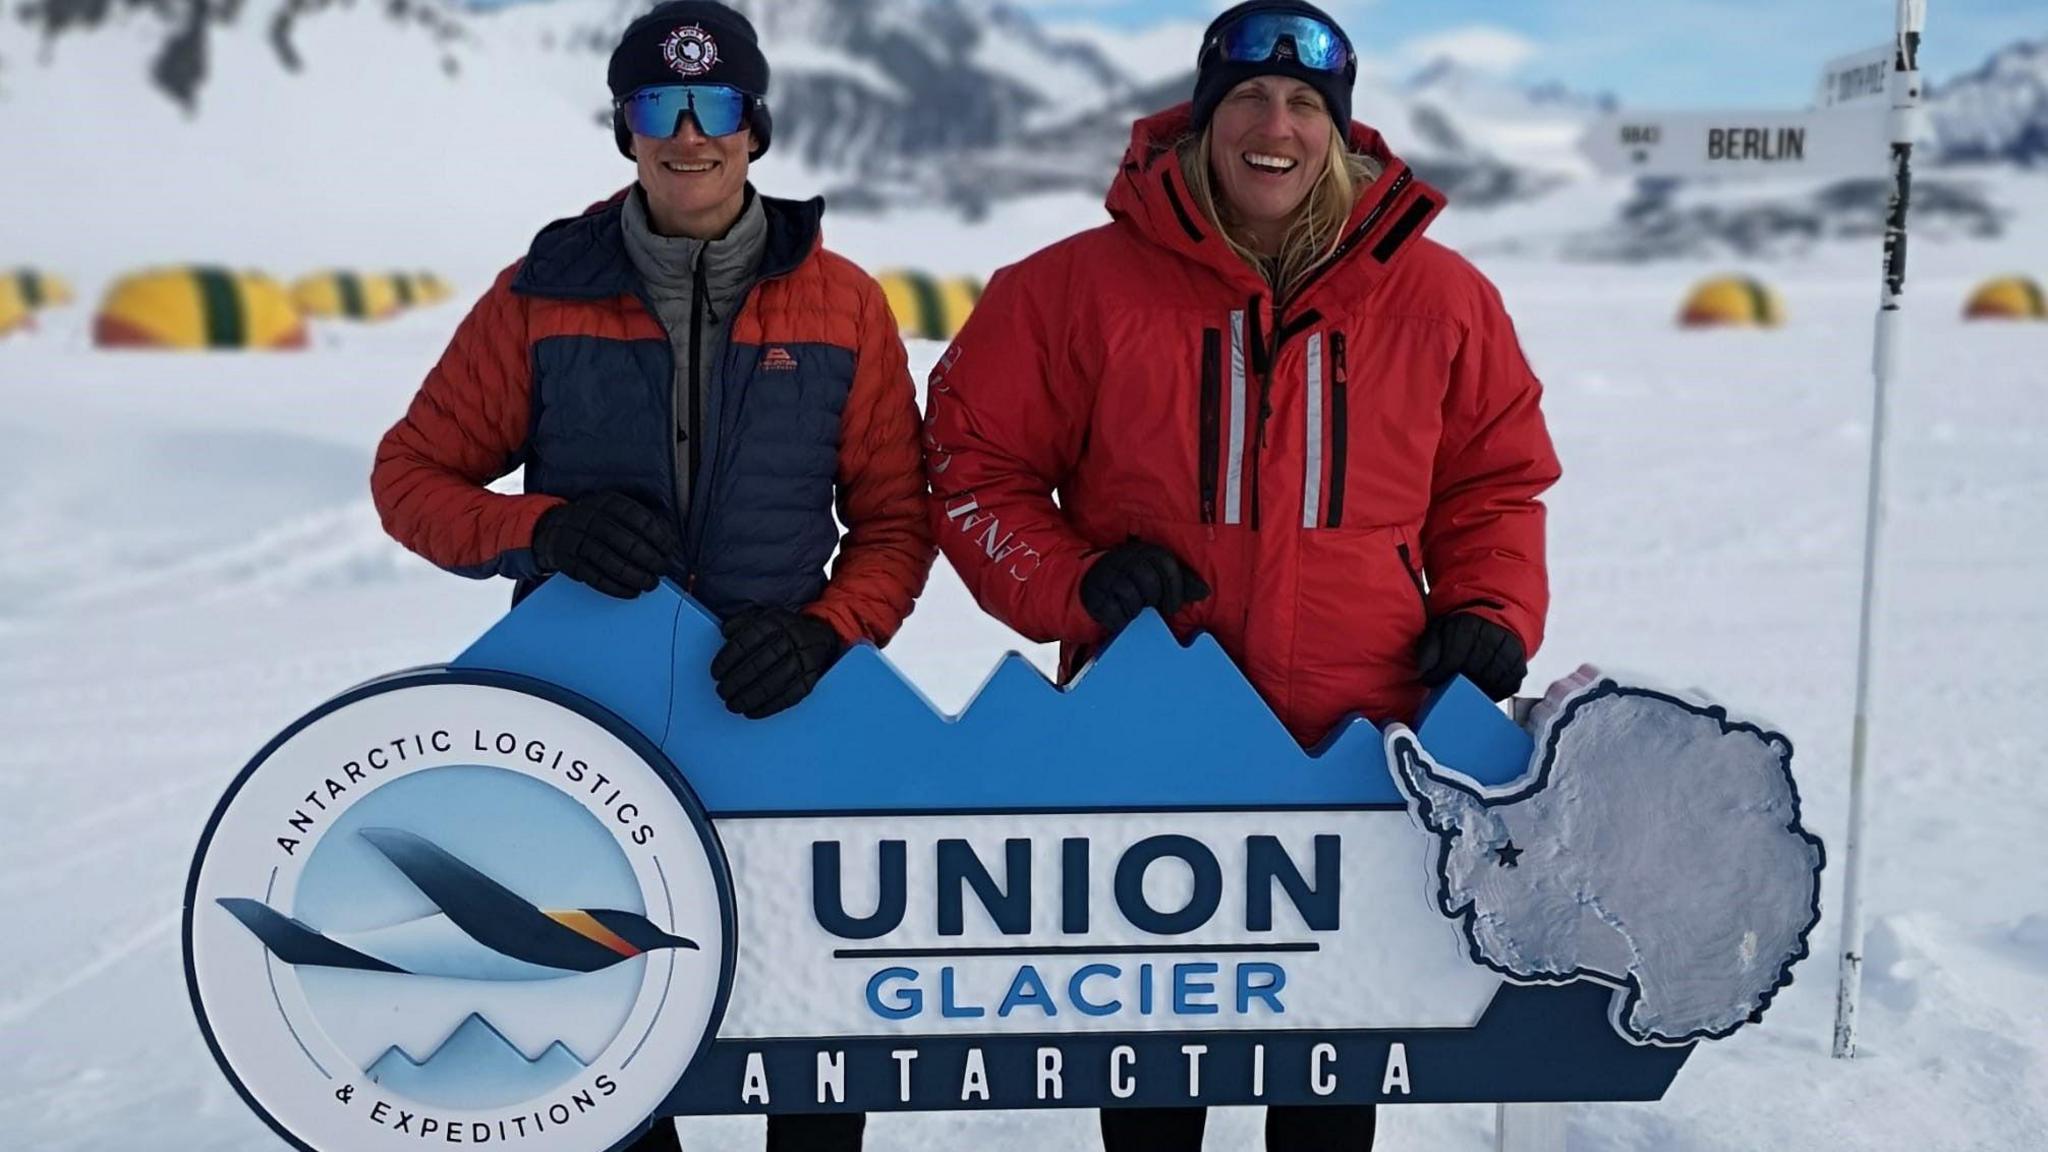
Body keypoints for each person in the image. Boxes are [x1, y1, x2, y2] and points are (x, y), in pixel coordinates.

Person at [922, 2, 1561, 1148]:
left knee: (1327, 1085)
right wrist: (1076, 578)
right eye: (1249, 100)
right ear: (1200, 122)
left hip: (1360, 755)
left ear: (1341, 131)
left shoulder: (1440, 300)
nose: (1276, 125)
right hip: (1148, 751)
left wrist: (1487, 609)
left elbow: (1492, 487)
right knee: (1154, 1085)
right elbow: (972, 467)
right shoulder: (1070, 290)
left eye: (1305, 104)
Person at [371, 3, 931, 1147]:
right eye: (656, 107)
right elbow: (411, 478)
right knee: (599, 1031)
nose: (688, 134)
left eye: (714, 105)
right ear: (623, 126)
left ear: (755, 126)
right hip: (586, 727)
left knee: (809, 1040)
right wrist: (545, 533)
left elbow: (896, 523)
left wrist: (825, 635)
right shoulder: (540, 292)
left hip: (781, 716)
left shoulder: (845, 303)